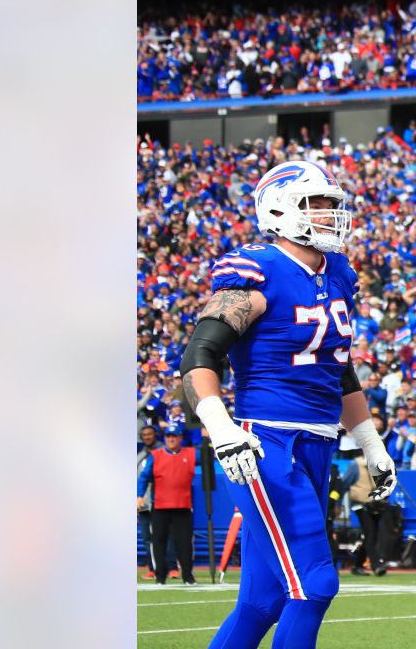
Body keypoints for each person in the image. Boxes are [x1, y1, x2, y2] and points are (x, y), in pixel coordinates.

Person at [179, 160, 396, 648]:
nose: (328, 213)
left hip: (317, 443)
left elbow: (337, 367)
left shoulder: (338, 272)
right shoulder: (260, 271)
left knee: (262, 601)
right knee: (316, 582)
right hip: (267, 444)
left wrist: (369, 442)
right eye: (316, 203)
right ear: (280, 208)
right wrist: (220, 425)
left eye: (331, 204)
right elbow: (198, 355)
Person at [136, 424, 197, 585]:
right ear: (165, 438)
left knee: (184, 543)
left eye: (174, 436)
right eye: (168, 436)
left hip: (183, 505)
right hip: (160, 506)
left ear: (180, 438)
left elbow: (207, 455)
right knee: (158, 542)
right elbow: (144, 476)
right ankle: (160, 577)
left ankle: (188, 577)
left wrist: (205, 437)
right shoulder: (155, 455)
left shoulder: (190, 453)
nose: (171, 439)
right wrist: (139, 496)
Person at [344, 454, 398, 577]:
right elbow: (344, 483)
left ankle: (358, 565)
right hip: (360, 504)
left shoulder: (380, 465)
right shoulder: (355, 465)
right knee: (370, 533)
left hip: (375, 505)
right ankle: (376, 565)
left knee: (371, 535)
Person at [137, 425, 160, 579]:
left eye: (149, 434)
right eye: (144, 435)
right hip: (143, 502)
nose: (147, 437)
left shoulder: (162, 452)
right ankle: (153, 568)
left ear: (155, 435)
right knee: (147, 537)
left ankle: (170, 567)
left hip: (160, 500)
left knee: (165, 536)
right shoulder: (139, 455)